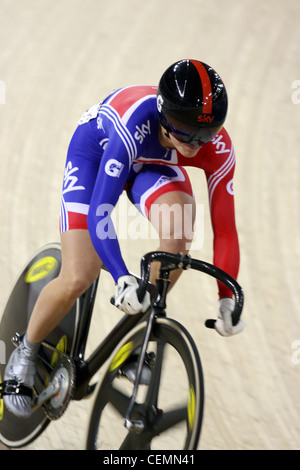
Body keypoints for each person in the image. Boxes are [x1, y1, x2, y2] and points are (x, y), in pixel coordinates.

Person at [3, 59, 244, 417]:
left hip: (156, 160)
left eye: (205, 134)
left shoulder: (218, 148)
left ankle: (134, 340)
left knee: (178, 237)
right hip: (97, 151)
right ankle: (26, 351)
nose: (194, 143)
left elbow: (225, 229)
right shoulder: (135, 123)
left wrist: (228, 296)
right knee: (80, 274)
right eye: (184, 129)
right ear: (164, 114)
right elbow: (100, 209)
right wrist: (120, 277)